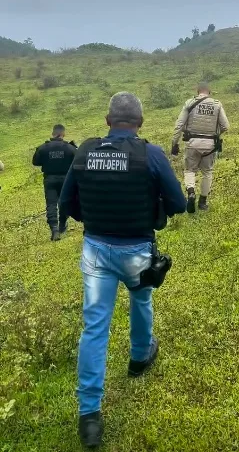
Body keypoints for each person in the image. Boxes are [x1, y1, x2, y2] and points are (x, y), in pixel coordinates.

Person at [59, 92, 186, 448]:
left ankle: (89, 417)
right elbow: (177, 204)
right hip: (136, 251)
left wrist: (95, 219)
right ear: (140, 123)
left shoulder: (84, 151)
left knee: (95, 327)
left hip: (96, 250)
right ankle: (139, 357)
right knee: (141, 301)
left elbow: (68, 202)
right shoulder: (151, 154)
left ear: (107, 121)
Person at [171, 82, 230, 213]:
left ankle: (191, 192)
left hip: (192, 143)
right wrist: (214, 135)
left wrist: (174, 143)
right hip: (210, 145)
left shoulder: (189, 103)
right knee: (207, 172)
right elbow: (226, 126)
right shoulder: (217, 104)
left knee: (189, 170)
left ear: (198, 91)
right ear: (209, 92)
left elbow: (179, 125)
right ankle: (203, 202)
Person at [32, 124, 77, 241]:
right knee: (64, 203)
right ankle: (62, 224)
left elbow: (35, 162)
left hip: (49, 180)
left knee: (51, 205)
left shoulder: (43, 148)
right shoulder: (70, 148)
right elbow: (77, 161)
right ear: (63, 134)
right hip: (65, 180)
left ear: (53, 133)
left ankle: (54, 230)